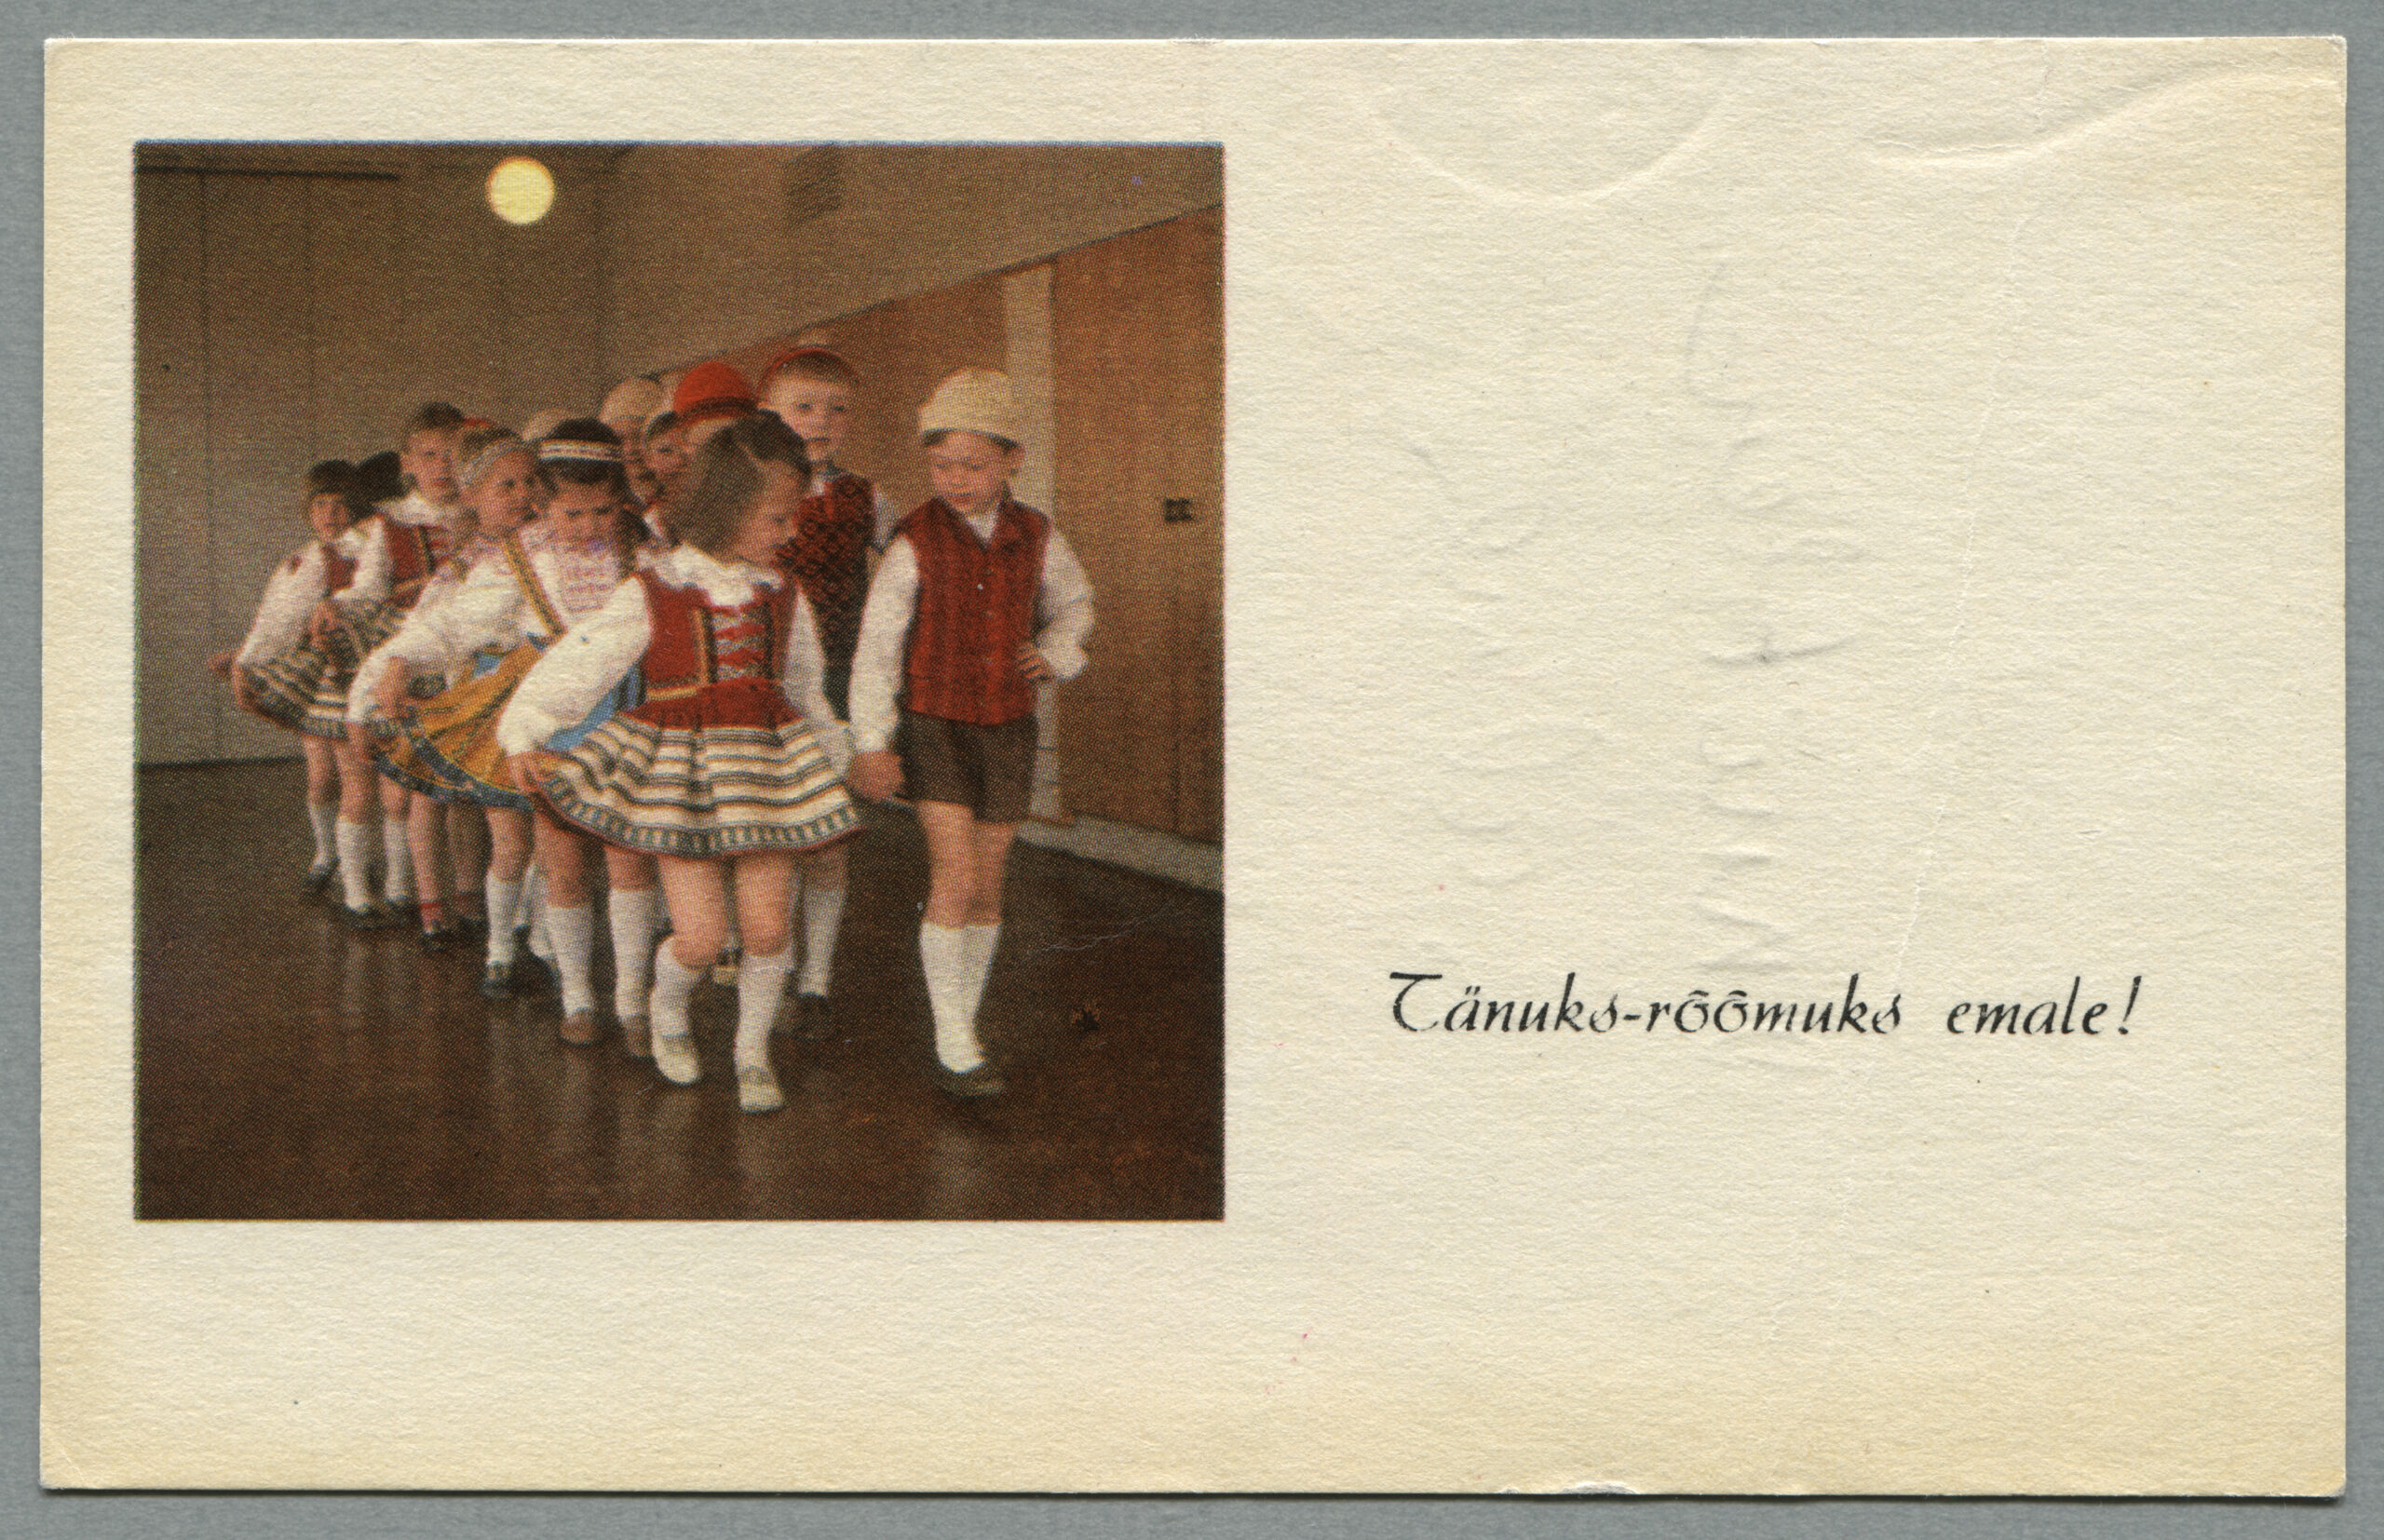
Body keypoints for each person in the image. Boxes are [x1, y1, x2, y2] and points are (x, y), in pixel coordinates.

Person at [500, 412, 860, 1113]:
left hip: (766, 776)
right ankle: (666, 1011)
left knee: (768, 931)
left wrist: (836, 757)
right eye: (777, 518)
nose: (789, 533)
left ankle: (751, 1053)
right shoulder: (653, 589)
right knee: (699, 937)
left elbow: (806, 689)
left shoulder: (783, 594)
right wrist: (526, 732)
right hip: (681, 777)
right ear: (727, 508)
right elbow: (580, 664)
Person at [847, 369, 1093, 1098]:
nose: (955, 480)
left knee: (987, 887)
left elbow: (1077, 605)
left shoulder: (1038, 535)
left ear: (1013, 459)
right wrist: (871, 740)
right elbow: (877, 649)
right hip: (935, 728)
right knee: (953, 879)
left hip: (1008, 729)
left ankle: (964, 1024)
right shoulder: (914, 541)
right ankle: (953, 1037)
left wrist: (1056, 651)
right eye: (941, 465)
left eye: (973, 465)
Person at [352, 422, 538, 952]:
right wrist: (368, 693)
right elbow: (428, 627)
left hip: (533, 691)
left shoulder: (550, 545)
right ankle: (443, 907)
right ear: (473, 495)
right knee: (444, 802)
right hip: (467, 691)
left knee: (525, 827)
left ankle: (515, 924)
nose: (522, 496)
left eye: (530, 483)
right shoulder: (466, 562)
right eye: (507, 486)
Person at [757, 345, 899, 1036]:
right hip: (763, 676)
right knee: (770, 836)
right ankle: (770, 961)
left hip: (837, 677)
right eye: (804, 407)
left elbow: (907, 565)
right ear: (769, 414)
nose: (821, 421)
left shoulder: (866, 496)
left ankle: (815, 977)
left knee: (828, 837)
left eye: (837, 410)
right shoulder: (755, 494)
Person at [311, 402, 466, 928]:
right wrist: (337, 604)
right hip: (406, 652)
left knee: (444, 789)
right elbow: (368, 588)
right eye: (430, 455)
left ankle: (417, 889)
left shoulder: (478, 513)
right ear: (408, 463)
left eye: (452, 454)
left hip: (463, 655)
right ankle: (366, 890)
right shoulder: (390, 522)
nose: (442, 466)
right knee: (394, 783)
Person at [214, 458, 375, 894]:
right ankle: (326, 853)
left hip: (354, 670)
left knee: (355, 777)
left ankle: (355, 873)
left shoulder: (369, 551)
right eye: (320, 504)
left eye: (340, 504)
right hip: (313, 674)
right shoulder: (305, 559)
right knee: (320, 776)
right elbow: (276, 620)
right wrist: (245, 658)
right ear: (308, 510)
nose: (330, 514)